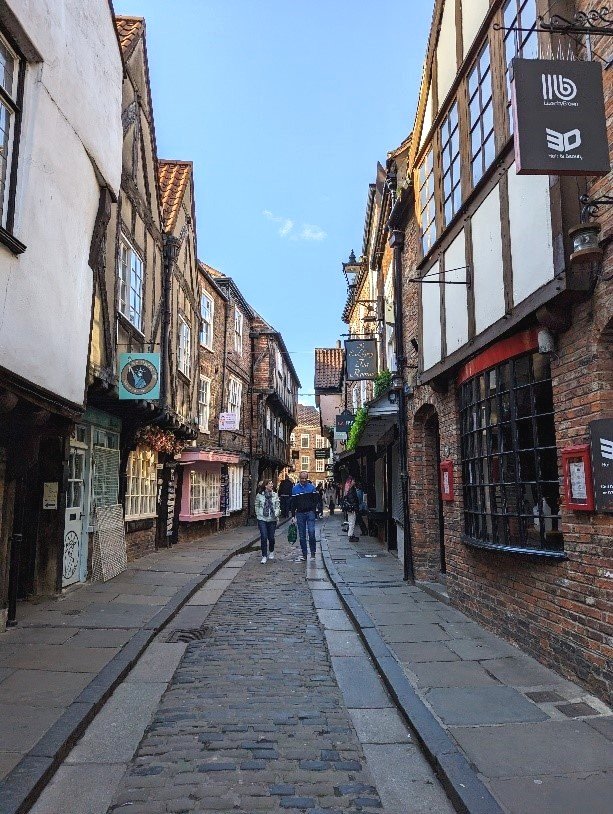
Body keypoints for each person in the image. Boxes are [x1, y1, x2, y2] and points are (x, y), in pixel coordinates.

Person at [290, 471, 319, 561]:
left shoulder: (312, 488)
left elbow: (316, 500)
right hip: (300, 513)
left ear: (307, 478)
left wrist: (314, 511)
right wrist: (293, 515)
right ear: (299, 478)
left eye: (305, 478)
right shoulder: (295, 489)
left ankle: (313, 553)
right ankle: (304, 554)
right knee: (302, 535)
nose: (304, 480)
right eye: (302, 478)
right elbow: (293, 503)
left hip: (310, 512)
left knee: (311, 532)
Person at [255, 480, 280, 563]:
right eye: (270, 484)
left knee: (271, 538)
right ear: (265, 486)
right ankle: (264, 555)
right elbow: (257, 505)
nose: (272, 485)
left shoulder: (275, 495)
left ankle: (271, 551)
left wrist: (276, 513)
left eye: (272, 484)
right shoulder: (259, 495)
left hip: (272, 519)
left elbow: (277, 506)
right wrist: (258, 515)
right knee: (264, 537)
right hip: (262, 519)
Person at [342, 475, 361, 542]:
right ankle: (350, 536)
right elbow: (353, 500)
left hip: (349, 509)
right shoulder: (351, 490)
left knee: (351, 522)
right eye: (353, 481)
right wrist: (355, 508)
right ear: (351, 481)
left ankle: (351, 535)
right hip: (352, 509)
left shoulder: (347, 490)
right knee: (352, 522)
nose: (354, 482)